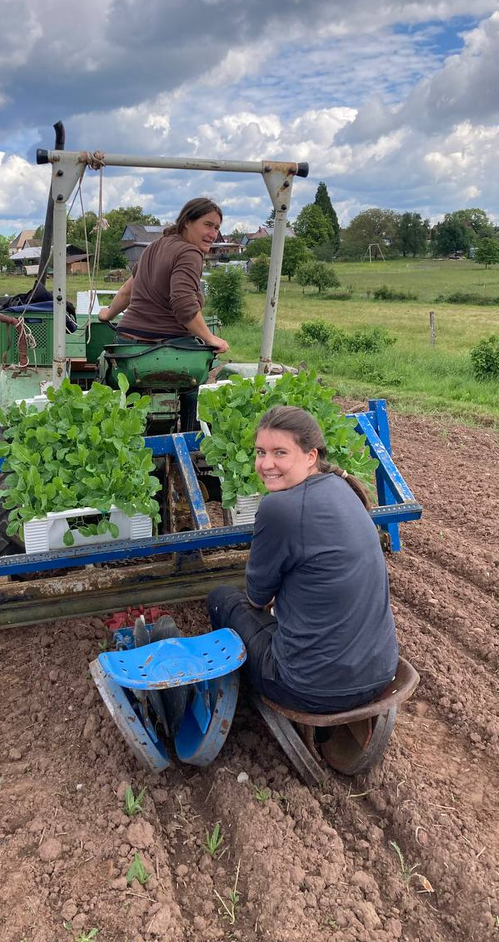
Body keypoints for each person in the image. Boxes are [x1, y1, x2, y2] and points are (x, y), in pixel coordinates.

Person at [208, 406, 398, 714]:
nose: (266, 464)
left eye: (280, 452)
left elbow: (257, 598)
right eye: (260, 452)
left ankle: (245, 705)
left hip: (309, 689)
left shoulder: (278, 508)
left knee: (221, 598)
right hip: (381, 672)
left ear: (311, 456)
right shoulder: (343, 487)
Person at [97, 197, 229, 354]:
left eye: (216, 228)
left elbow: (127, 290)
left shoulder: (154, 246)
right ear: (187, 222)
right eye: (207, 225)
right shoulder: (190, 253)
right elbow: (183, 302)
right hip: (164, 345)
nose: (213, 234)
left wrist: (108, 314)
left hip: (125, 342)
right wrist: (210, 338)